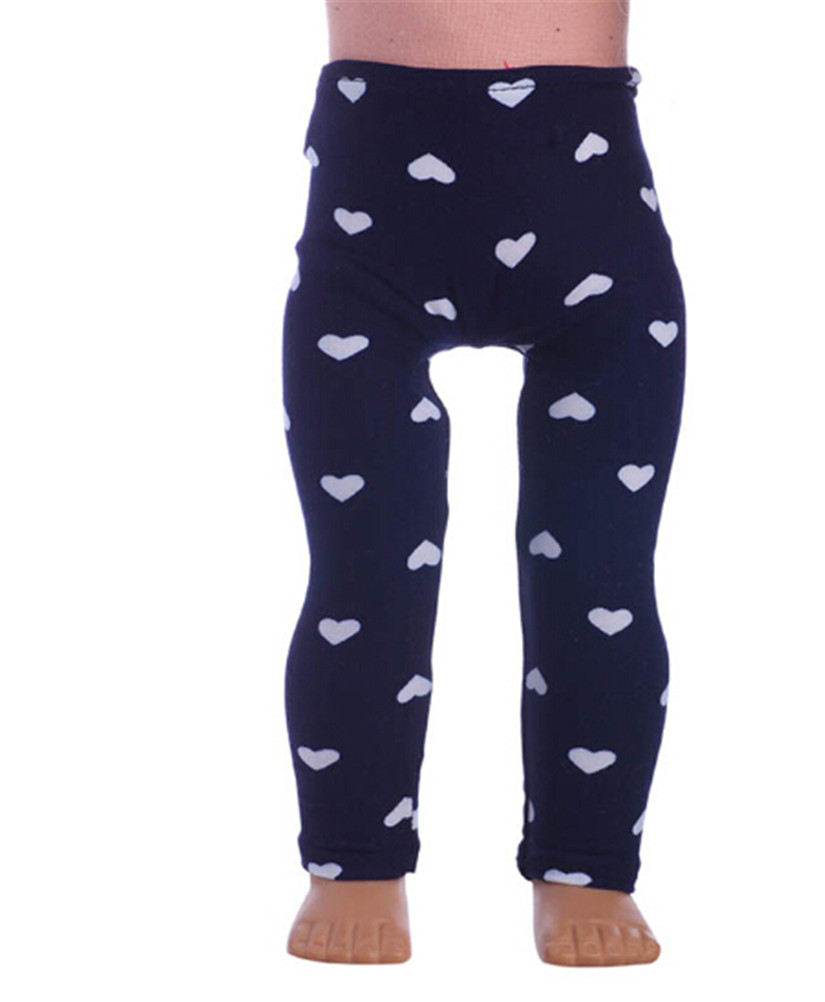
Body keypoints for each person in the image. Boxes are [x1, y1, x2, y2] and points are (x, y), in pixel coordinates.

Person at [281, 0, 685, 965]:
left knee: (598, 575)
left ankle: (587, 866)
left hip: (595, 234)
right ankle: (355, 862)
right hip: (369, 246)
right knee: (367, 568)